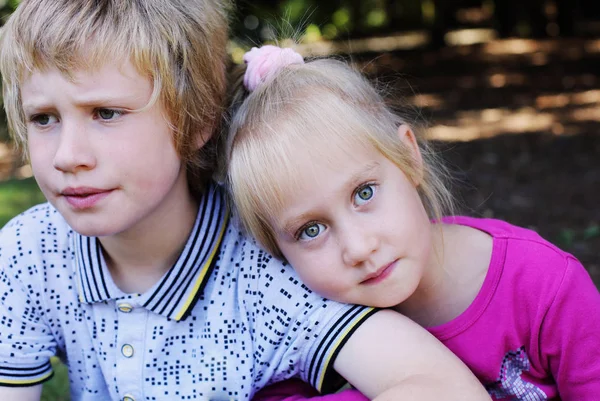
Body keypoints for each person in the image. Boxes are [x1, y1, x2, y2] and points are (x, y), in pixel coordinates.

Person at [0, 1, 492, 400]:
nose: (68, 155)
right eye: (44, 118)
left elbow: (441, 386)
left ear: (196, 123)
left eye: (106, 113)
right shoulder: (30, 252)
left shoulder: (264, 267)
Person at [222, 45, 600, 401]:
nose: (358, 248)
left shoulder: (545, 287)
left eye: (364, 193)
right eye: (311, 230)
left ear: (409, 156)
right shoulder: (311, 331)